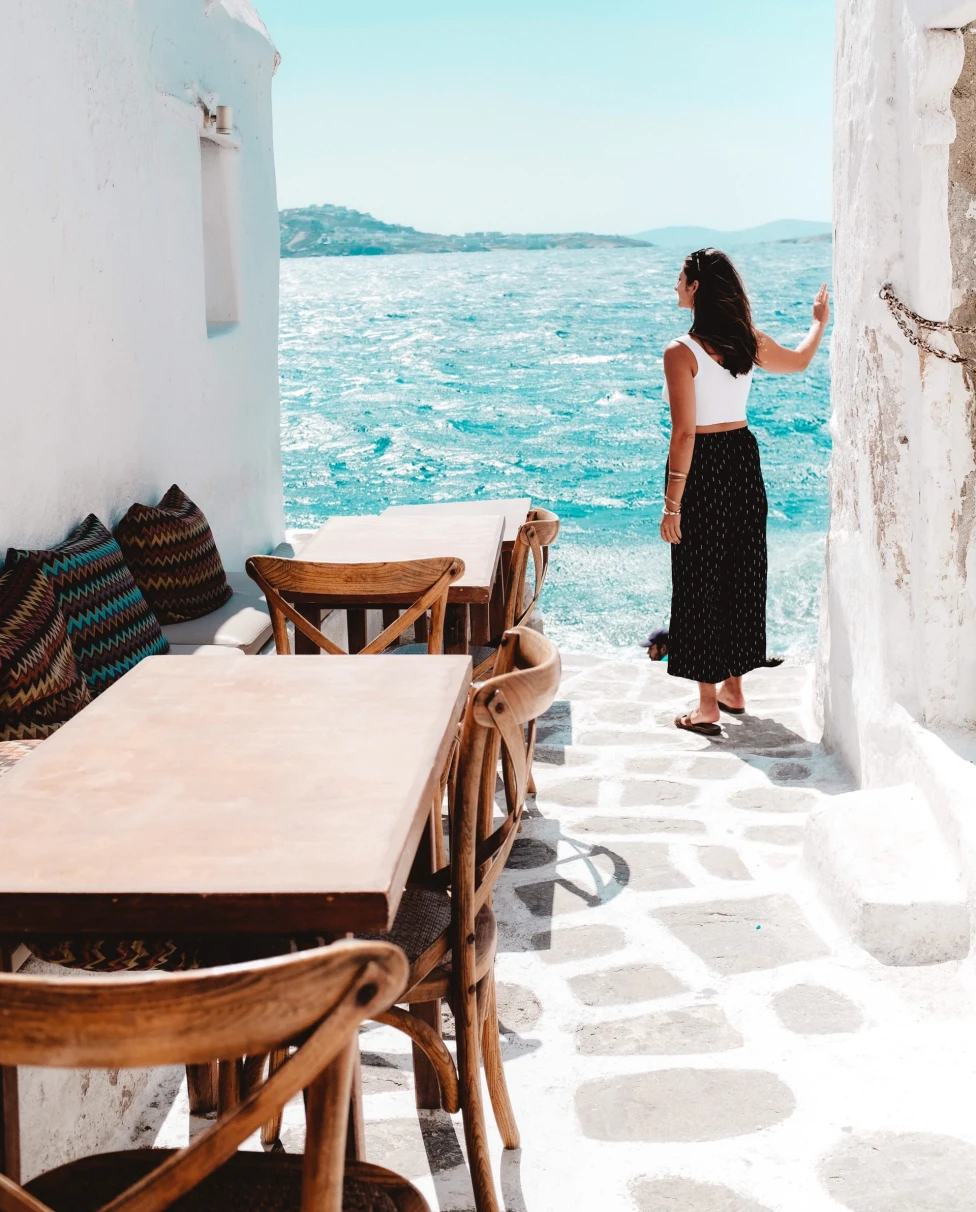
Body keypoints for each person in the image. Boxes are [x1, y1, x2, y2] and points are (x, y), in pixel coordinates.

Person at [660, 248, 828, 736]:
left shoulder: (680, 352)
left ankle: (707, 705)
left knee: (698, 580)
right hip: (743, 458)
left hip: (705, 465)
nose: (674, 287)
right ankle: (734, 687)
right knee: (740, 571)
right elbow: (798, 363)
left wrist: (673, 504)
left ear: (695, 289)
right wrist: (820, 323)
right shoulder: (746, 341)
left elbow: (684, 434)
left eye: (680, 279)